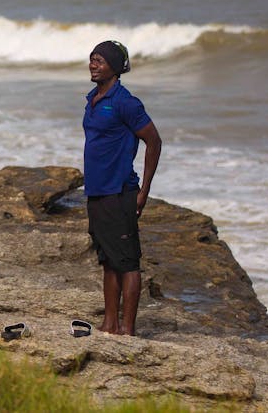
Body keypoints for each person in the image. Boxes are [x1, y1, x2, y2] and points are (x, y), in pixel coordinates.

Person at [83, 40, 162, 336]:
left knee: (127, 262)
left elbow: (154, 142)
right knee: (108, 260)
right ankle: (109, 324)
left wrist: (143, 191)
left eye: (100, 60)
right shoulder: (93, 98)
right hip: (97, 192)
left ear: (115, 67)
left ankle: (127, 329)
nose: (93, 65)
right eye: (91, 59)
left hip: (120, 192)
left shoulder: (125, 102)